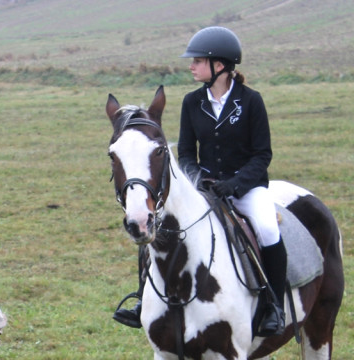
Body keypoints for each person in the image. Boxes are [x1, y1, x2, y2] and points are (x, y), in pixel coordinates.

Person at [114, 26, 287, 337]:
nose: (191, 66)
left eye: (197, 60)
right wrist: (198, 179)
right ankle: (143, 300)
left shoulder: (251, 101)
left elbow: (262, 154)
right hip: (203, 189)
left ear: (219, 65)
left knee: (267, 228)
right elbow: (186, 152)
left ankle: (274, 305)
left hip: (246, 188)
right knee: (158, 226)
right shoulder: (192, 102)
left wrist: (235, 184)